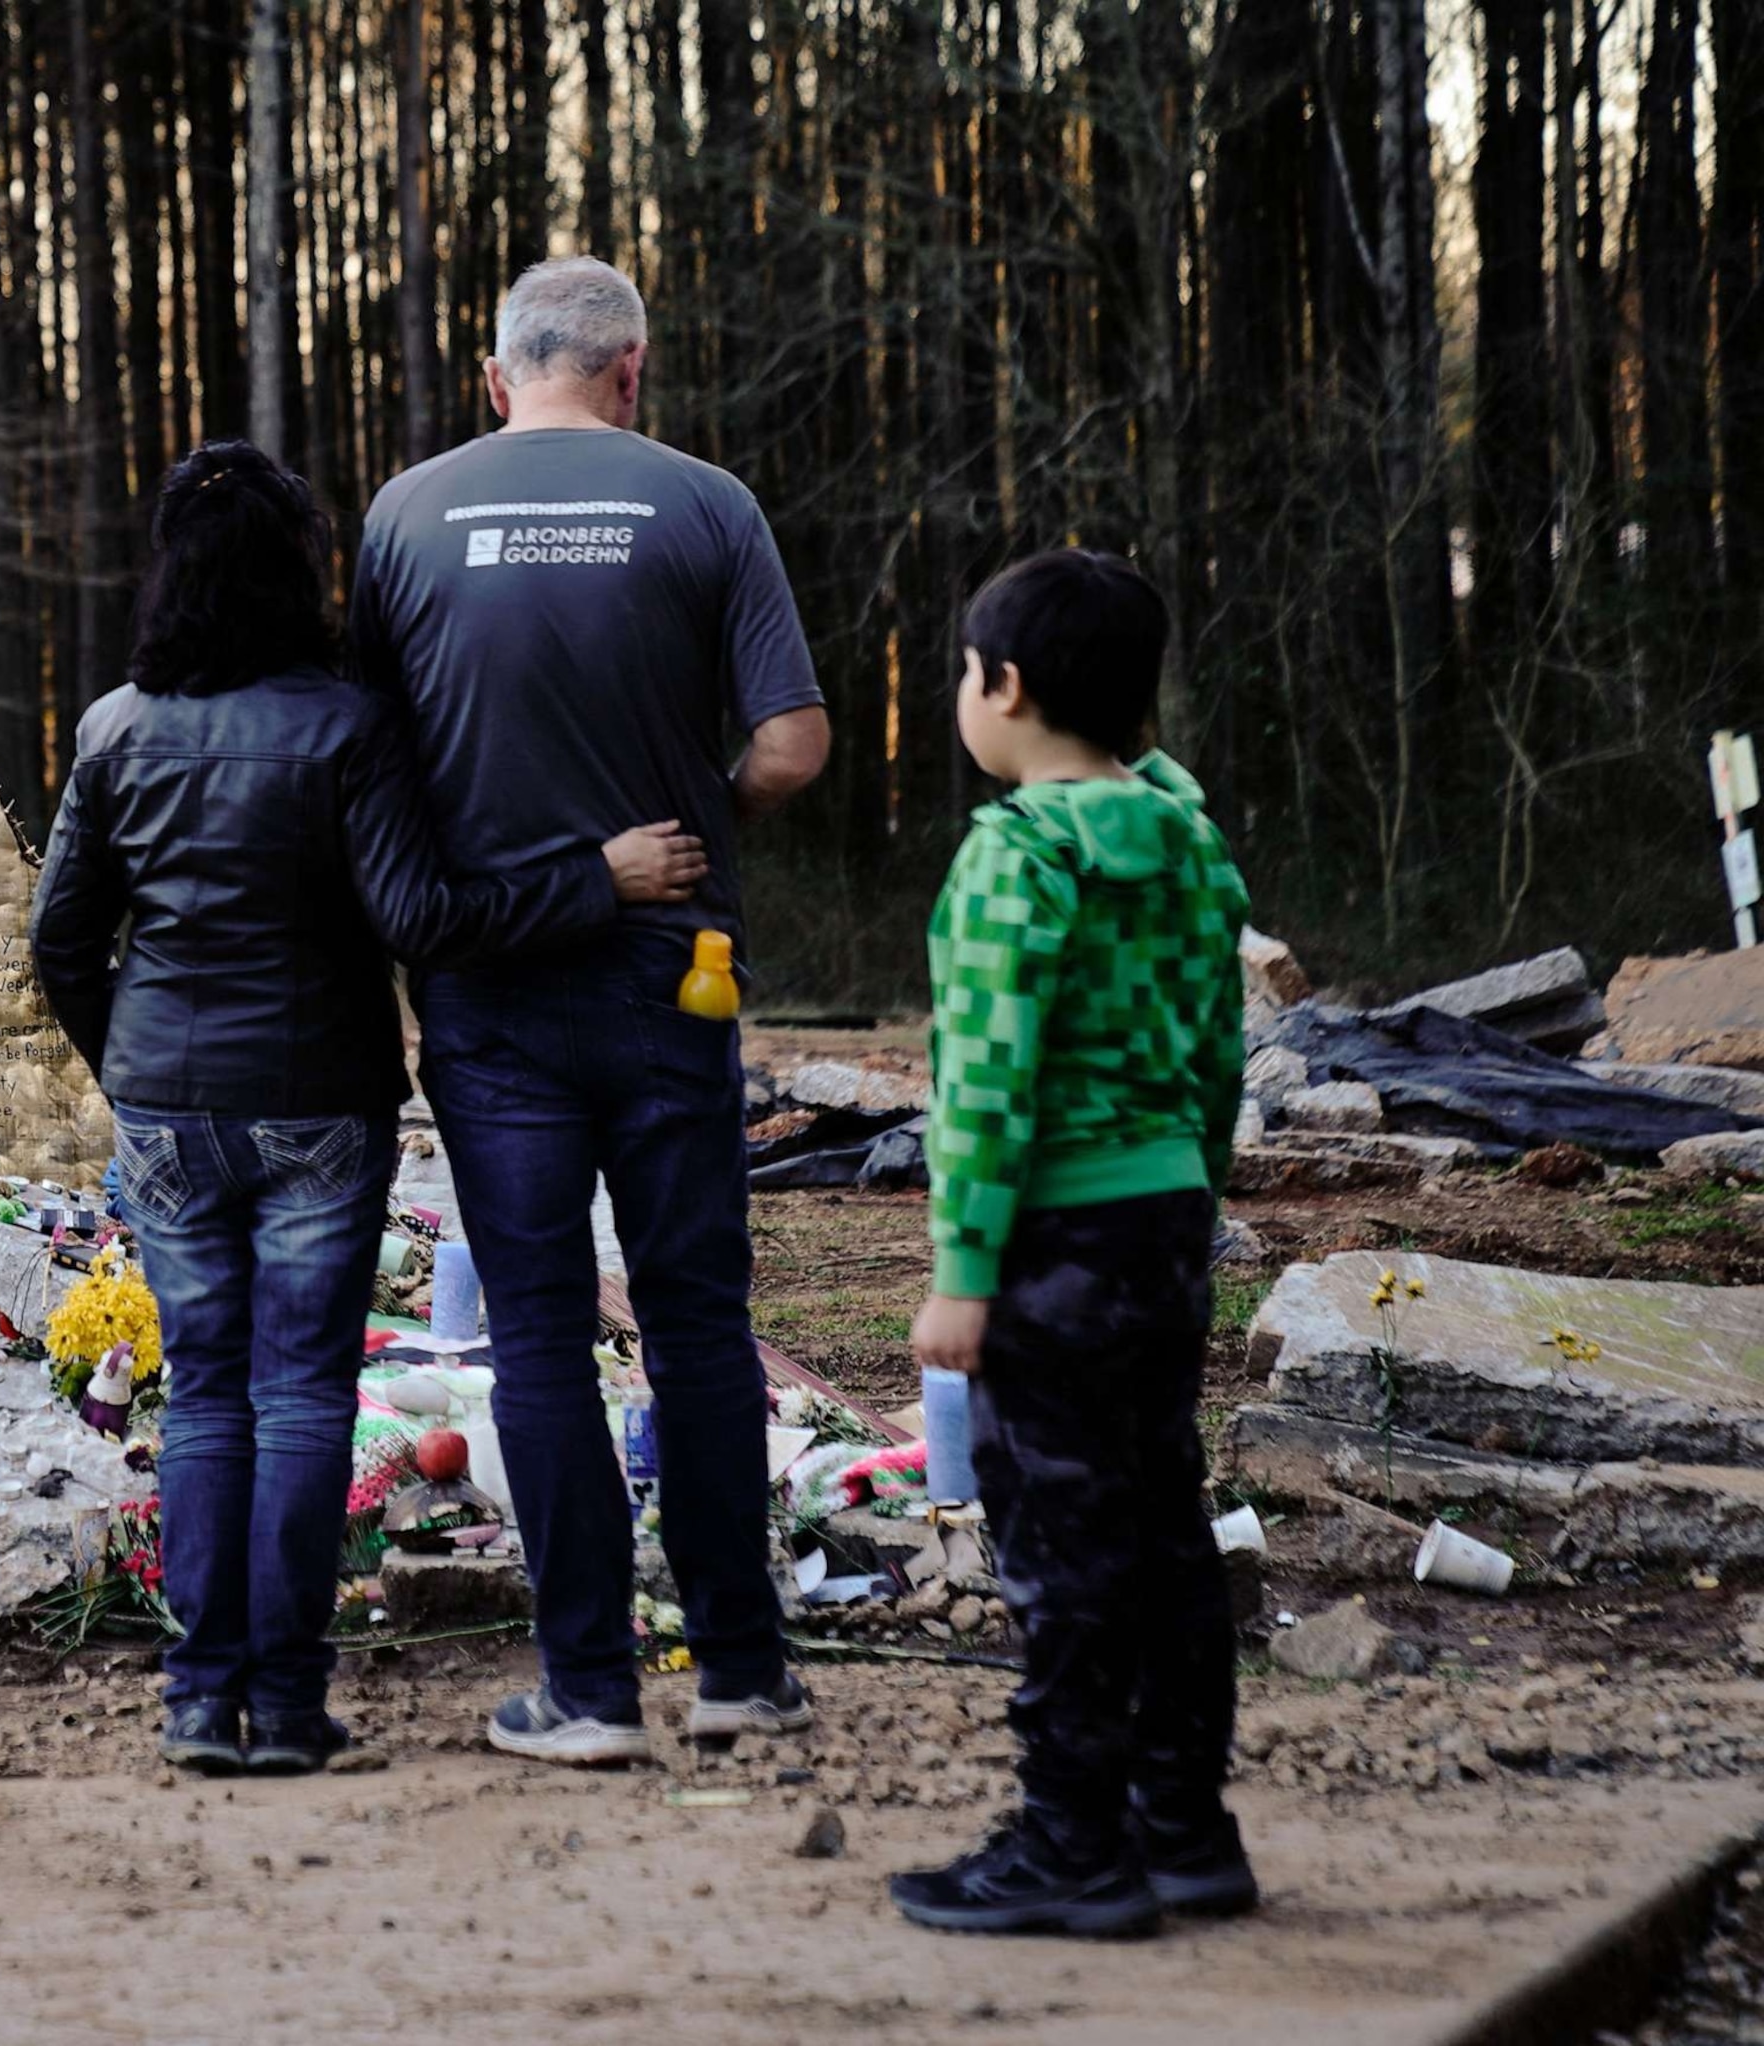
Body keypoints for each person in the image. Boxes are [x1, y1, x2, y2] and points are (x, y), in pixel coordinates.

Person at [30, 440, 710, 1777]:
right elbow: (425, 920)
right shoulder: (346, 726)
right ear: (300, 577)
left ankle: (193, 1703)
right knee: (296, 1400)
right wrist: (599, 878)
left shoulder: (113, 729)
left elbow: (62, 940)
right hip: (319, 1109)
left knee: (208, 1399)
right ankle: (285, 1706)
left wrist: (136, 1071)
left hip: (166, 1107)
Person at [349, 256, 831, 1765]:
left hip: (490, 991)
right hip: (673, 981)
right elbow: (797, 743)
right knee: (698, 1326)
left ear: (499, 381)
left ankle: (588, 1690)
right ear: (634, 373)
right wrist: (702, 803)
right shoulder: (709, 504)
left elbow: (371, 759)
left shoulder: (405, 516)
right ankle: (742, 1668)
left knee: (543, 1334)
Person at [891, 549, 1253, 1939]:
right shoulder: (1186, 840)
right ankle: (1186, 1824)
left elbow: (986, 1081)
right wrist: (1193, 1188)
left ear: (1010, 688)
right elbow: (1220, 1047)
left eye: (964, 675)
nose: (961, 697)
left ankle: (1071, 1843)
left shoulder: (1016, 855)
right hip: (1164, 1215)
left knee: (1060, 1535)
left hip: (1052, 1229)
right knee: (1165, 1516)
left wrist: (962, 1275)